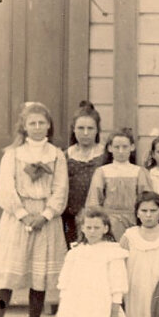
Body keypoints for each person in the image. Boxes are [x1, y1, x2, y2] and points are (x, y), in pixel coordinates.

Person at [0, 101, 67, 317]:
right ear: (24, 126)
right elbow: (5, 188)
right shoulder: (13, 154)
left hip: (46, 219)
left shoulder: (57, 155)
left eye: (42, 123)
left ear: (49, 126)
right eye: (32, 123)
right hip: (17, 218)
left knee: (39, 276)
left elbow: (61, 189)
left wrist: (46, 215)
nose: (37, 127)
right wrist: (22, 214)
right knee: (7, 275)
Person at [44, 207, 131, 317]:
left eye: (97, 228)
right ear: (82, 228)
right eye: (88, 227)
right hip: (77, 299)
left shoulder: (112, 251)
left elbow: (118, 283)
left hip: (100, 299)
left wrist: (114, 311)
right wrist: (63, 306)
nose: (92, 231)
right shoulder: (75, 252)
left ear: (105, 229)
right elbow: (65, 281)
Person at [61, 101, 108, 245]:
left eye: (90, 128)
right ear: (73, 129)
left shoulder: (106, 155)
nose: (85, 133)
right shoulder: (65, 156)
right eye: (81, 128)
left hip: (98, 218)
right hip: (70, 217)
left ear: (97, 130)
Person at [85, 127, 142, 238]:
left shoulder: (139, 172)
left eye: (125, 147)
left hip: (134, 221)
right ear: (110, 148)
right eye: (117, 147)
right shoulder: (102, 172)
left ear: (132, 147)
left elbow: (146, 200)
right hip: (109, 222)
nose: (121, 151)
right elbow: (94, 201)